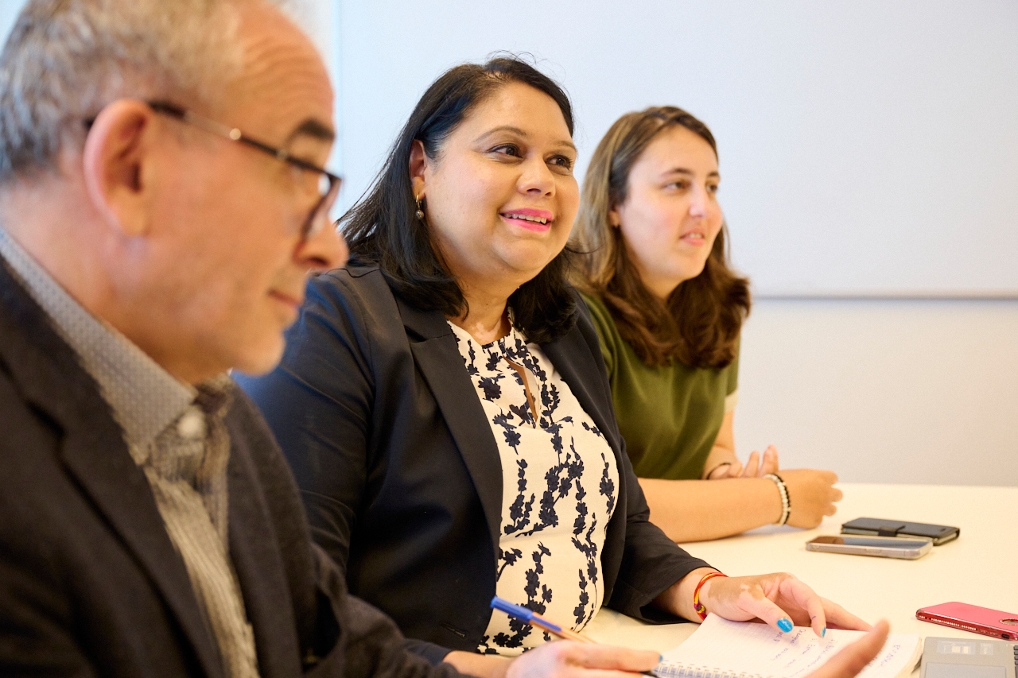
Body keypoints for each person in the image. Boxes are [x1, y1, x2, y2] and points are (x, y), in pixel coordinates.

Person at [0, 2, 671, 677]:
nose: (327, 246)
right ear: (131, 167)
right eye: (296, 170)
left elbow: (323, 639)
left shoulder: (206, 415)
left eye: (560, 160)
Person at [237, 58, 870, 678]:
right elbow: (290, 601)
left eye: (561, 161)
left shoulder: (560, 326)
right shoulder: (333, 321)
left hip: (598, 653)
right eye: (506, 151)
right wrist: (505, 674)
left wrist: (711, 590)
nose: (541, 179)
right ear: (421, 169)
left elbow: (619, 528)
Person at [571, 107, 843, 543]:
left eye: (711, 187)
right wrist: (777, 498)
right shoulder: (571, 314)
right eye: (676, 185)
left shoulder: (718, 306)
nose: (705, 209)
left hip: (682, 559)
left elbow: (714, 446)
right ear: (613, 205)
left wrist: (722, 473)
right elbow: (596, 502)